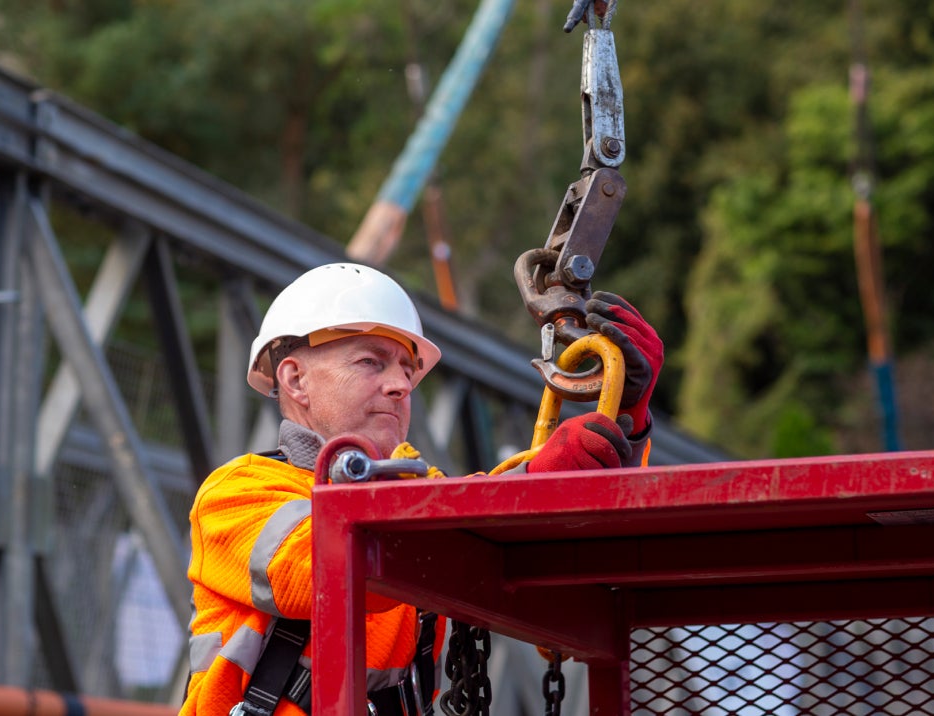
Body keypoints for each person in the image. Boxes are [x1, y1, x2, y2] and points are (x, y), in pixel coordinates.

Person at [180, 263, 663, 716]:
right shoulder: (237, 493)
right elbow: (328, 567)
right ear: (294, 378)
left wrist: (625, 417)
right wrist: (533, 484)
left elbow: (537, 550)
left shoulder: (420, 505)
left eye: (407, 370)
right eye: (371, 362)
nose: (400, 385)